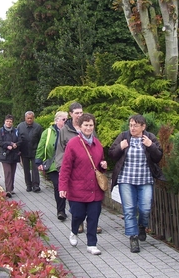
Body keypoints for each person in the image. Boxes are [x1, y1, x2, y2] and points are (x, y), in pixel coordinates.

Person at [108, 114, 164, 253]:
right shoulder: (123, 136)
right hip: (125, 180)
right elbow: (112, 154)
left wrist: (151, 146)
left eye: (136, 125)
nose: (132, 128)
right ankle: (133, 237)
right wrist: (120, 147)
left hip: (145, 180)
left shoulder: (149, 138)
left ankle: (141, 227)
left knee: (145, 209)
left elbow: (158, 157)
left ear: (143, 127)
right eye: (131, 125)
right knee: (129, 209)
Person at [59, 113, 108, 255]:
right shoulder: (73, 144)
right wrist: (62, 187)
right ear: (80, 127)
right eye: (85, 125)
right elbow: (66, 167)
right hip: (77, 189)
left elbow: (100, 163)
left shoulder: (97, 144)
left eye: (91, 125)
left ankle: (92, 244)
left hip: (95, 189)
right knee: (78, 215)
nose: (88, 128)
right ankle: (74, 231)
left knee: (94, 216)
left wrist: (103, 166)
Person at [54, 102, 102, 234]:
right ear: (71, 114)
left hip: (88, 169)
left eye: (81, 112)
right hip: (71, 170)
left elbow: (96, 148)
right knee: (76, 199)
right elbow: (59, 150)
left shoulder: (88, 127)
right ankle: (78, 222)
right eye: (77, 113)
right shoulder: (65, 130)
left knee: (92, 199)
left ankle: (91, 223)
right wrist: (61, 168)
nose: (79, 115)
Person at [35, 111, 68, 220]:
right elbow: (41, 146)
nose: (66, 121)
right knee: (58, 185)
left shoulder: (69, 131)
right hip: (53, 164)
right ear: (57, 120)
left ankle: (74, 210)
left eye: (67, 119)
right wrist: (38, 161)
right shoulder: (48, 132)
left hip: (67, 164)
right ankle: (61, 211)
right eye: (64, 119)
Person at [16, 111, 43, 192]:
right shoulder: (20, 126)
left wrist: (40, 152)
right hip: (24, 151)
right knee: (26, 169)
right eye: (28, 118)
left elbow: (41, 140)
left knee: (35, 169)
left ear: (33, 118)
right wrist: (18, 151)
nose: (29, 120)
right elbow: (17, 139)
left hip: (35, 151)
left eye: (31, 118)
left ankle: (36, 186)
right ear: (25, 118)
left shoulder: (38, 127)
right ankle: (28, 185)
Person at [0, 114, 21, 197]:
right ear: (4, 121)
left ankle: (11, 188)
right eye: (7, 121)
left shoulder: (16, 131)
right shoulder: (1, 131)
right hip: (5, 155)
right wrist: (8, 144)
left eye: (10, 122)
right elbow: (0, 142)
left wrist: (15, 145)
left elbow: (20, 141)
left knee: (13, 172)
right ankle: (8, 190)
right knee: (8, 172)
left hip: (14, 155)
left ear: (12, 123)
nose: (9, 123)